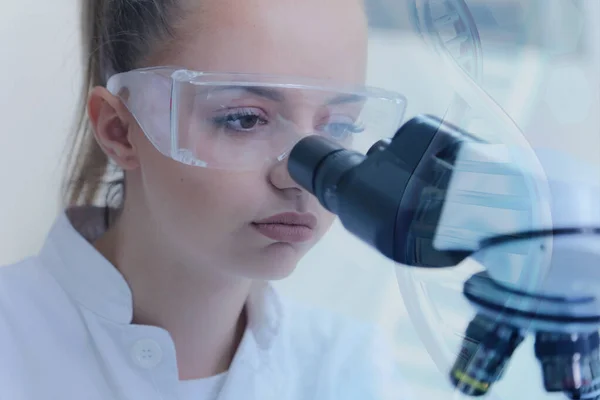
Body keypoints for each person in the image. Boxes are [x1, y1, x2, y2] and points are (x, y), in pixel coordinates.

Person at [0, 0, 411, 399]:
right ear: (119, 130)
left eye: (339, 125)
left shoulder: (345, 368)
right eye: (244, 119)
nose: (303, 178)